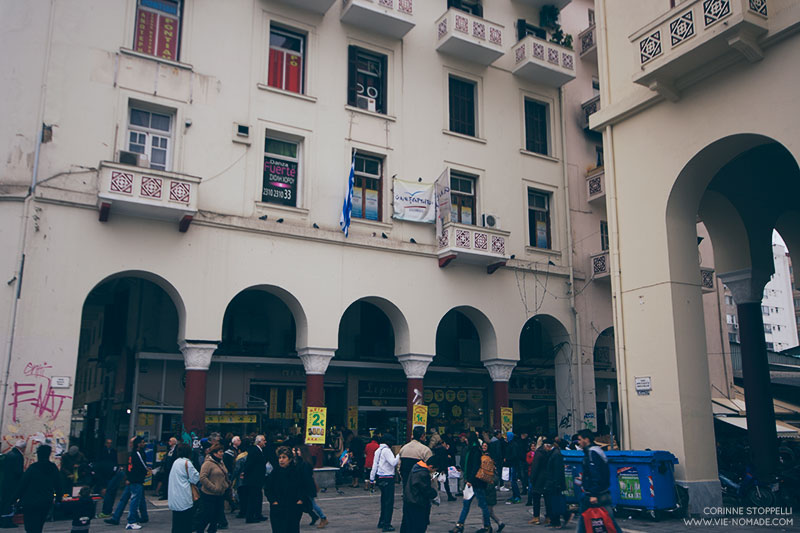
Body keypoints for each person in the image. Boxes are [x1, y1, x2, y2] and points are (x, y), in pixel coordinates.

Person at [575, 430, 621, 533]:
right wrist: (585, 479)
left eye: (580, 439)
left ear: (586, 440)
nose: (578, 442)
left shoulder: (592, 453)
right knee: (609, 521)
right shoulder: (596, 451)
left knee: (585, 522)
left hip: (596, 494)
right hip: (602, 491)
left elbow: (596, 474)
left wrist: (593, 493)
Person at [448, 432, 491, 533]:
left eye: (467, 438)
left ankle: (487, 526)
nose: (465, 440)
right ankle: (460, 524)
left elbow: (475, 466)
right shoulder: (470, 449)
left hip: (476, 482)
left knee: (482, 504)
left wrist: (470, 480)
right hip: (471, 481)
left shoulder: (475, 450)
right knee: (467, 504)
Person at [105, 436, 150, 529]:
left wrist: (128, 478)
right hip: (136, 480)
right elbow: (143, 466)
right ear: (138, 444)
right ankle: (131, 521)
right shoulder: (138, 453)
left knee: (125, 499)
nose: (144, 444)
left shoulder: (132, 454)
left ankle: (116, 517)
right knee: (135, 500)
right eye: (142, 442)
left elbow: (130, 467)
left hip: (132, 479)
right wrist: (148, 471)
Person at [16, 444, 60, 533]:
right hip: (45, 500)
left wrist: (15, 499)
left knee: (30, 526)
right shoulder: (53, 468)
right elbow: (58, 485)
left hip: (30, 501)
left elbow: (22, 484)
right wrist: (59, 498)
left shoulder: (33, 468)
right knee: (39, 525)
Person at [264, 446, 307, 533]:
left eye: (284, 457)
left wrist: (300, 500)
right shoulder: (275, 472)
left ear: (290, 459)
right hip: (278, 508)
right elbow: (268, 488)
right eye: (279, 457)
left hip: (293, 507)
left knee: (292, 529)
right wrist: (273, 501)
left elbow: (304, 486)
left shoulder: (296, 472)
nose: (281, 460)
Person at [196, 443, 230, 533]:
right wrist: (213, 487)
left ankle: (212, 530)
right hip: (209, 494)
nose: (222, 453)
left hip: (220, 494)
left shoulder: (221, 462)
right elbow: (203, 477)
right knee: (208, 515)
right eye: (220, 452)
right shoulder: (208, 463)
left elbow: (225, 475)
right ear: (214, 453)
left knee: (216, 516)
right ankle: (200, 530)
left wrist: (225, 486)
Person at [401, 457, 438, 533]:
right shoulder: (423, 473)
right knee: (418, 526)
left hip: (409, 500)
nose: (434, 472)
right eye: (435, 470)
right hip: (417, 502)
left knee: (408, 525)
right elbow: (425, 489)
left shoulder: (416, 469)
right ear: (431, 466)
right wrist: (434, 493)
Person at [293, 446, 327, 528]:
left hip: (307, 488)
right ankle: (315, 516)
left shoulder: (305, 464)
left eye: (299, 451)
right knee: (307, 504)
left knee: (313, 504)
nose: (297, 452)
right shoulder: (302, 462)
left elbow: (306, 478)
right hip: (305, 487)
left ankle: (323, 518)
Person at [370, 435, 399, 532]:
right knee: (389, 502)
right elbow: (393, 462)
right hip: (388, 477)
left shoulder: (378, 450)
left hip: (380, 477)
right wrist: (399, 454)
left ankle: (381, 521)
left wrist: (372, 478)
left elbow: (375, 465)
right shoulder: (387, 451)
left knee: (384, 501)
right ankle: (387, 524)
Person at [168, 443, 198, 533]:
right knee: (186, 525)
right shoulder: (187, 463)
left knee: (176, 525)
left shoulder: (176, 462)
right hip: (184, 497)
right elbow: (195, 478)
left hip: (174, 498)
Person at [543, 438, 570, 529]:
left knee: (556, 503)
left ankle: (560, 519)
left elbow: (557, 471)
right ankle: (555, 521)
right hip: (553, 482)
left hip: (555, 483)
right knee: (554, 503)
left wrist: (556, 483)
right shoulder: (553, 454)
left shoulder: (556, 455)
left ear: (547, 446)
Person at [480, 442, 505, 532]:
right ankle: (488, 526)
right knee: (487, 511)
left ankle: (490, 526)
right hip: (488, 490)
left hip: (489, 491)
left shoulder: (491, 470)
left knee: (487, 511)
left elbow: (494, 480)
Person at [0, 440, 25, 528]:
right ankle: (7, 522)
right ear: (23, 448)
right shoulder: (18, 456)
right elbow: (18, 472)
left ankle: (3, 521)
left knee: (5, 502)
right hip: (13, 484)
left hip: (6, 482)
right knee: (10, 503)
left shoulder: (9, 454)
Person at [242, 435, 267, 523]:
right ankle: (250, 516)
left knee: (257, 497)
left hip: (258, 479)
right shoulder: (254, 451)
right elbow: (249, 464)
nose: (265, 442)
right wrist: (246, 474)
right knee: (253, 498)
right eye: (264, 440)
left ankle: (257, 514)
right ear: (259, 442)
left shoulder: (259, 450)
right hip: (253, 479)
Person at [428, 434, 456, 502]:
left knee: (433, 480)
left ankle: (432, 495)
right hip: (442, 468)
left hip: (436, 468)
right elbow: (444, 459)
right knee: (446, 483)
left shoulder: (436, 449)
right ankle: (449, 496)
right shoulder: (443, 449)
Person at [528, 437, 549, 525]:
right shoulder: (548, 453)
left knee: (536, 498)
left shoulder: (539, 453)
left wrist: (532, 478)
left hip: (538, 479)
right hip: (546, 478)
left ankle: (536, 517)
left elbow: (535, 467)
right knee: (547, 499)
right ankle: (548, 517)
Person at [231, 439, 250, 519]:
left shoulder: (240, 457)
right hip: (247, 479)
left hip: (240, 480)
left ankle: (242, 511)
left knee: (242, 497)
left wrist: (232, 479)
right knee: (246, 496)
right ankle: (246, 511)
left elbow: (236, 470)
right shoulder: (249, 455)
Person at [504, 432, 521, 503]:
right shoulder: (511, 444)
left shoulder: (513, 445)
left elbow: (514, 455)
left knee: (513, 481)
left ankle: (517, 496)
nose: (505, 438)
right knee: (512, 481)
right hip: (512, 464)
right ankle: (515, 495)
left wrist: (507, 458)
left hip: (513, 464)